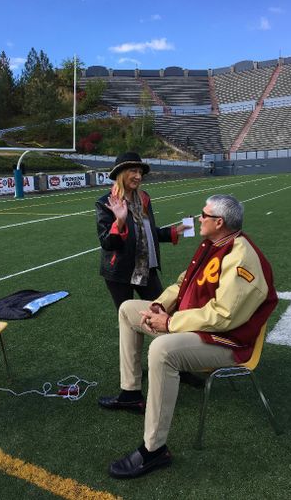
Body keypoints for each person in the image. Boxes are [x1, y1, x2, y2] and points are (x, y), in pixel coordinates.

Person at [98, 194, 278, 479]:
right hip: (196, 325)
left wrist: (170, 323)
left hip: (227, 341)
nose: (198, 218)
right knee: (128, 309)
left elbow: (224, 316)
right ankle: (131, 392)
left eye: (203, 215)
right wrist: (160, 305)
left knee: (163, 350)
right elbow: (183, 283)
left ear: (219, 222)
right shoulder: (214, 244)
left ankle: (154, 449)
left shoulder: (241, 256)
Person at [95, 151, 187, 311]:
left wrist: (174, 231)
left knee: (160, 309)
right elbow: (107, 243)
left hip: (146, 267)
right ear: (121, 173)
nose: (138, 176)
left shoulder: (144, 197)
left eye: (140, 172)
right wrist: (120, 221)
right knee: (128, 318)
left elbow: (147, 233)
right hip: (120, 272)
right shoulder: (105, 203)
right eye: (133, 171)